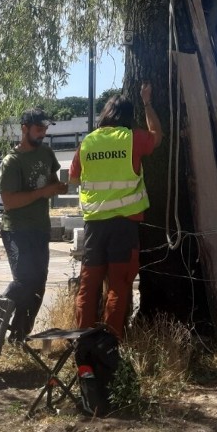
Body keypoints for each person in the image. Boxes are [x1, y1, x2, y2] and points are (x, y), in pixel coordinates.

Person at [69, 82, 163, 338]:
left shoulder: (87, 142)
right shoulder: (132, 138)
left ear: (105, 115)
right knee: (118, 287)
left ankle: (82, 343)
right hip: (123, 226)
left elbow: (74, 177)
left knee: (88, 287)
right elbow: (157, 135)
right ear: (127, 117)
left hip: (94, 227)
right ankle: (109, 344)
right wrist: (147, 103)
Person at [0, 107, 66, 342]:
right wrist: (43, 192)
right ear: (24, 128)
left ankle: (19, 336)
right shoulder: (11, 162)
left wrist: (58, 187)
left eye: (45, 129)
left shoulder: (47, 153)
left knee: (38, 283)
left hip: (40, 228)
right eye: (38, 129)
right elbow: (9, 201)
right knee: (24, 280)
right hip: (16, 230)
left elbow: (54, 182)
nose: (42, 134)